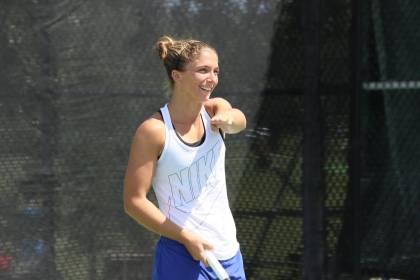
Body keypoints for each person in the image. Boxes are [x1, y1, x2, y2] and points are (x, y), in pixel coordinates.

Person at [123, 35, 247, 280]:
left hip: (230, 255)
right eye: (203, 70)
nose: (211, 79)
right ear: (176, 76)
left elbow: (238, 120)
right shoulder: (153, 131)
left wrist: (228, 118)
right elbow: (134, 202)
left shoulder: (215, 111)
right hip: (181, 256)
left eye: (216, 71)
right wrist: (185, 236)